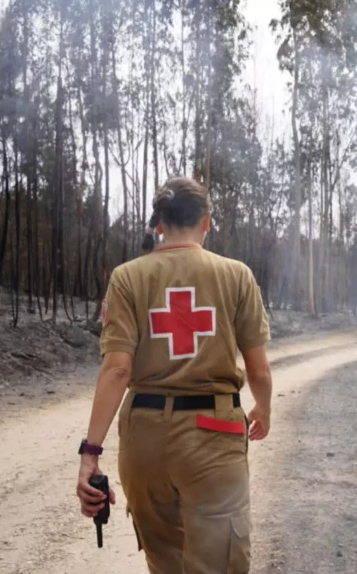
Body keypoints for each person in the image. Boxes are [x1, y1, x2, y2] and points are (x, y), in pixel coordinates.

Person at [75, 176, 273, 574]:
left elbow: (116, 370)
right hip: (214, 436)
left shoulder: (127, 277)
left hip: (145, 440)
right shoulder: (236, 275)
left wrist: (90, 454)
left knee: (165, 564)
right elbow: (259, 370)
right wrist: (263, 410)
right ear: (207, 221)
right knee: (220, 564)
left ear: (159, 224)